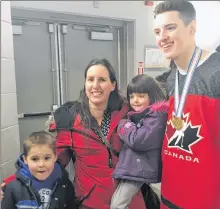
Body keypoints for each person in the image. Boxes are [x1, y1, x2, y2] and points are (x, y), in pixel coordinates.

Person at [1, 59, 146, 209]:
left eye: (102, 80)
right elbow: (52, 160)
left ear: (113, 85)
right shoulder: (71, 118)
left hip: (129, 201)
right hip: (89, 202)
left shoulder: (130, 114)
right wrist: (11, 181)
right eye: (90, 79)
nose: (95, 85)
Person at [153, 1, 220, 209]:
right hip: (171, 197)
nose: (162, 37)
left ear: (192, 27)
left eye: (170, 28)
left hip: (211, 200)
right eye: (157, 31)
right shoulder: (171, 77)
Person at [110, 74, 168, 209]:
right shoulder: (142, 116)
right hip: (138, 170)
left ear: (152, 96)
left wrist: (123, 125)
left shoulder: (157, 118)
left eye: (141, 96)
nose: (135, 100)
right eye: (132, 96)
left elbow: (138, 140)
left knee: (118, 205)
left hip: (145, 170)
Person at [1, 131, 76, 209]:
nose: (41, 164)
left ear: (55, 157)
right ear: (25, 159)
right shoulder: (12, 187)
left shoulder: (65, 184)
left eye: (47, 158)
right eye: (35, 159)